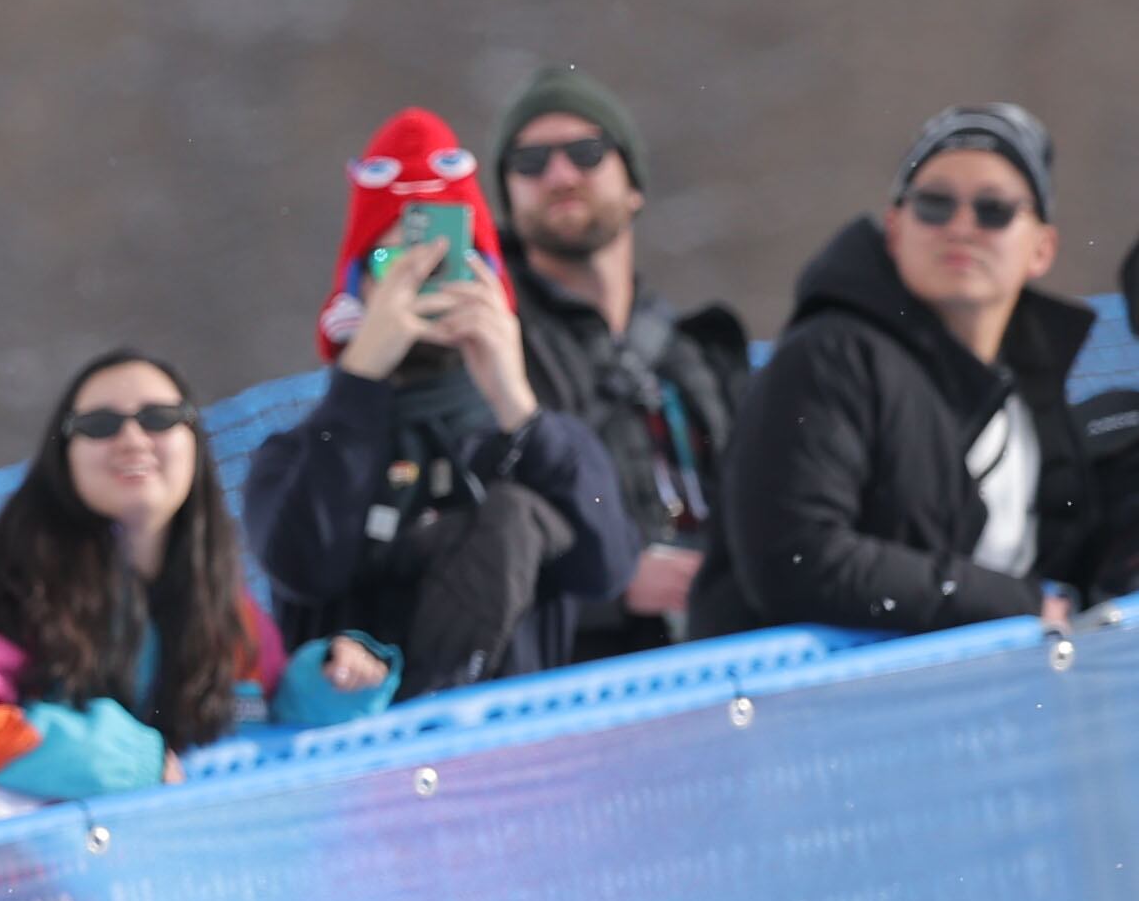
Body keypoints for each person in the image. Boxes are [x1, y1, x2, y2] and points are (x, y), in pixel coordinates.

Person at [242, 109, 637, 699]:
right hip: (362, 769)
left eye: (443, 263)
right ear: (355, 286)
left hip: (517, 769)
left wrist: (516, 405)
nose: (414, 283)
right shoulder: (299, 453)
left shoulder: (536, 438)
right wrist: (361, 377)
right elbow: (303, 563)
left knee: (512, 513)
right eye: (388, 262)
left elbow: (608, 564)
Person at [694, 104, 1102, 639]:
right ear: (893, 229)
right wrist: (1015, 606)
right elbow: (793, 558)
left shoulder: (1034, 395)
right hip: (812, 713)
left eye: (994, 210)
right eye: (934, 205)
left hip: (981, 708)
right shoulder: (829, 355)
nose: (961, 227)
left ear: (1042, 248)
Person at [0, 356, 389, 797]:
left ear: (193, 443)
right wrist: (119, 760)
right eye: (100, 424)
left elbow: (275, 717)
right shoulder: (17, 600)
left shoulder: (226, 611)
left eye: (158, 419)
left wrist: (333, 682)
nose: (132, 439)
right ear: (63, 455)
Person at [493, 64, 750, 658]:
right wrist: (612, 585)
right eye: (529, 163)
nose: (559, 175)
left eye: (585, 152)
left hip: (734, 661)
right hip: (581, 690)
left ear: (633, 183)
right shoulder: (491, 346)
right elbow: (471, 550)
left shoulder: (700, 351)